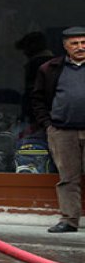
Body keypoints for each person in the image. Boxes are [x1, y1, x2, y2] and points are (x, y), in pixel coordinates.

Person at [31, 26, 85, 234]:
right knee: (67, 177)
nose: (80, 47)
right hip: (62, 131)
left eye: (83, 42)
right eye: (75, 43)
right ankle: (69, 220)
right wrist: (48, 125)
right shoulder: (50, 68)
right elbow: (37, 99)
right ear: (65, 46)